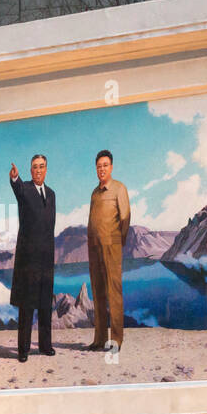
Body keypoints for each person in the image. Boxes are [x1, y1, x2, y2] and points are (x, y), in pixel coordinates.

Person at [8, 155, 57, 362]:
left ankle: (45, 346)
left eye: (42, 167)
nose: (38, 170)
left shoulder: (52, 194)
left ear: (46, 169)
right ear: (30, 171)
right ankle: (23, 350)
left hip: (46, 257)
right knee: (27, 305)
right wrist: (15, 178)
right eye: (35, 167)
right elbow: (17, 189)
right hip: (28, 259)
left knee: (45, 303)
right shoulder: (25, 189)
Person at [85, 149, 130, 351]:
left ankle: (116, 340)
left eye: (105, 165)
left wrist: (117, 241)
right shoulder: (95, 192)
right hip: (93, 246)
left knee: (114, 292)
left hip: (112, 244)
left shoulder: (119, 188)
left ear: (111, 167)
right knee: (98, 292)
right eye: (99, 166)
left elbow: (125, 217)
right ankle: (100, 339)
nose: (102, 169)